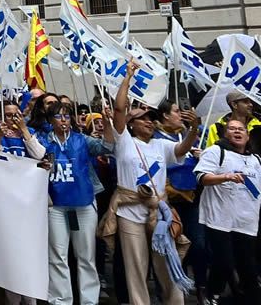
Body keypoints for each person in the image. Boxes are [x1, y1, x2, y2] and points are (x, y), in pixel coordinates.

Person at [100, 64, 201, 305]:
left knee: (167, 265)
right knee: (137, 270)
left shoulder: (161, 146)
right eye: (142, 119)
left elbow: (182, 149)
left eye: (150, 119)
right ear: (131, 124)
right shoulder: (124, 141)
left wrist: (193, 129)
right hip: (130, 213)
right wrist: (127, 77)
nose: (148, 122)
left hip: (160, 215)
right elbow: (119, 108)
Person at [21, 103, 110, 305]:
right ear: (50, 120)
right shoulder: (44, 140)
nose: (64, 120)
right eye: (59, 116)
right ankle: (61, 301)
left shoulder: (82, 140)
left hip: (84, 204)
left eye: (67, 116)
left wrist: (106, 121)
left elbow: (107, 147)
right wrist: (25, 130)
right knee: (57, 256)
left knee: (86, 256)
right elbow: (37, 154)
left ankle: (89, 301)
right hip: (57, 206)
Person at [193, 117, 261, 304]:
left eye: (241, 129)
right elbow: (202, 177)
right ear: (225, 133)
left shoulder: (256, 159)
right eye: (232, 129)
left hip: (247, 222)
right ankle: (212, 294)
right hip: (219, 219)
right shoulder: (216, 151)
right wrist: (226, 177)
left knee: (248, 270)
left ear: (248, 136)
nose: (237, 132)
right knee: (225, 263)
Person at [153, 99, 206, 295]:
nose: (181, 114)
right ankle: (174, 291)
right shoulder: (155, 137)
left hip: (191, 198)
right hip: (168, 202)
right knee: (172, 247)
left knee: (199, 245)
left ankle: (201, 287)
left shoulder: (187, 135)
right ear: (165, 115)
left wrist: (201, 157)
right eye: (176, 111)